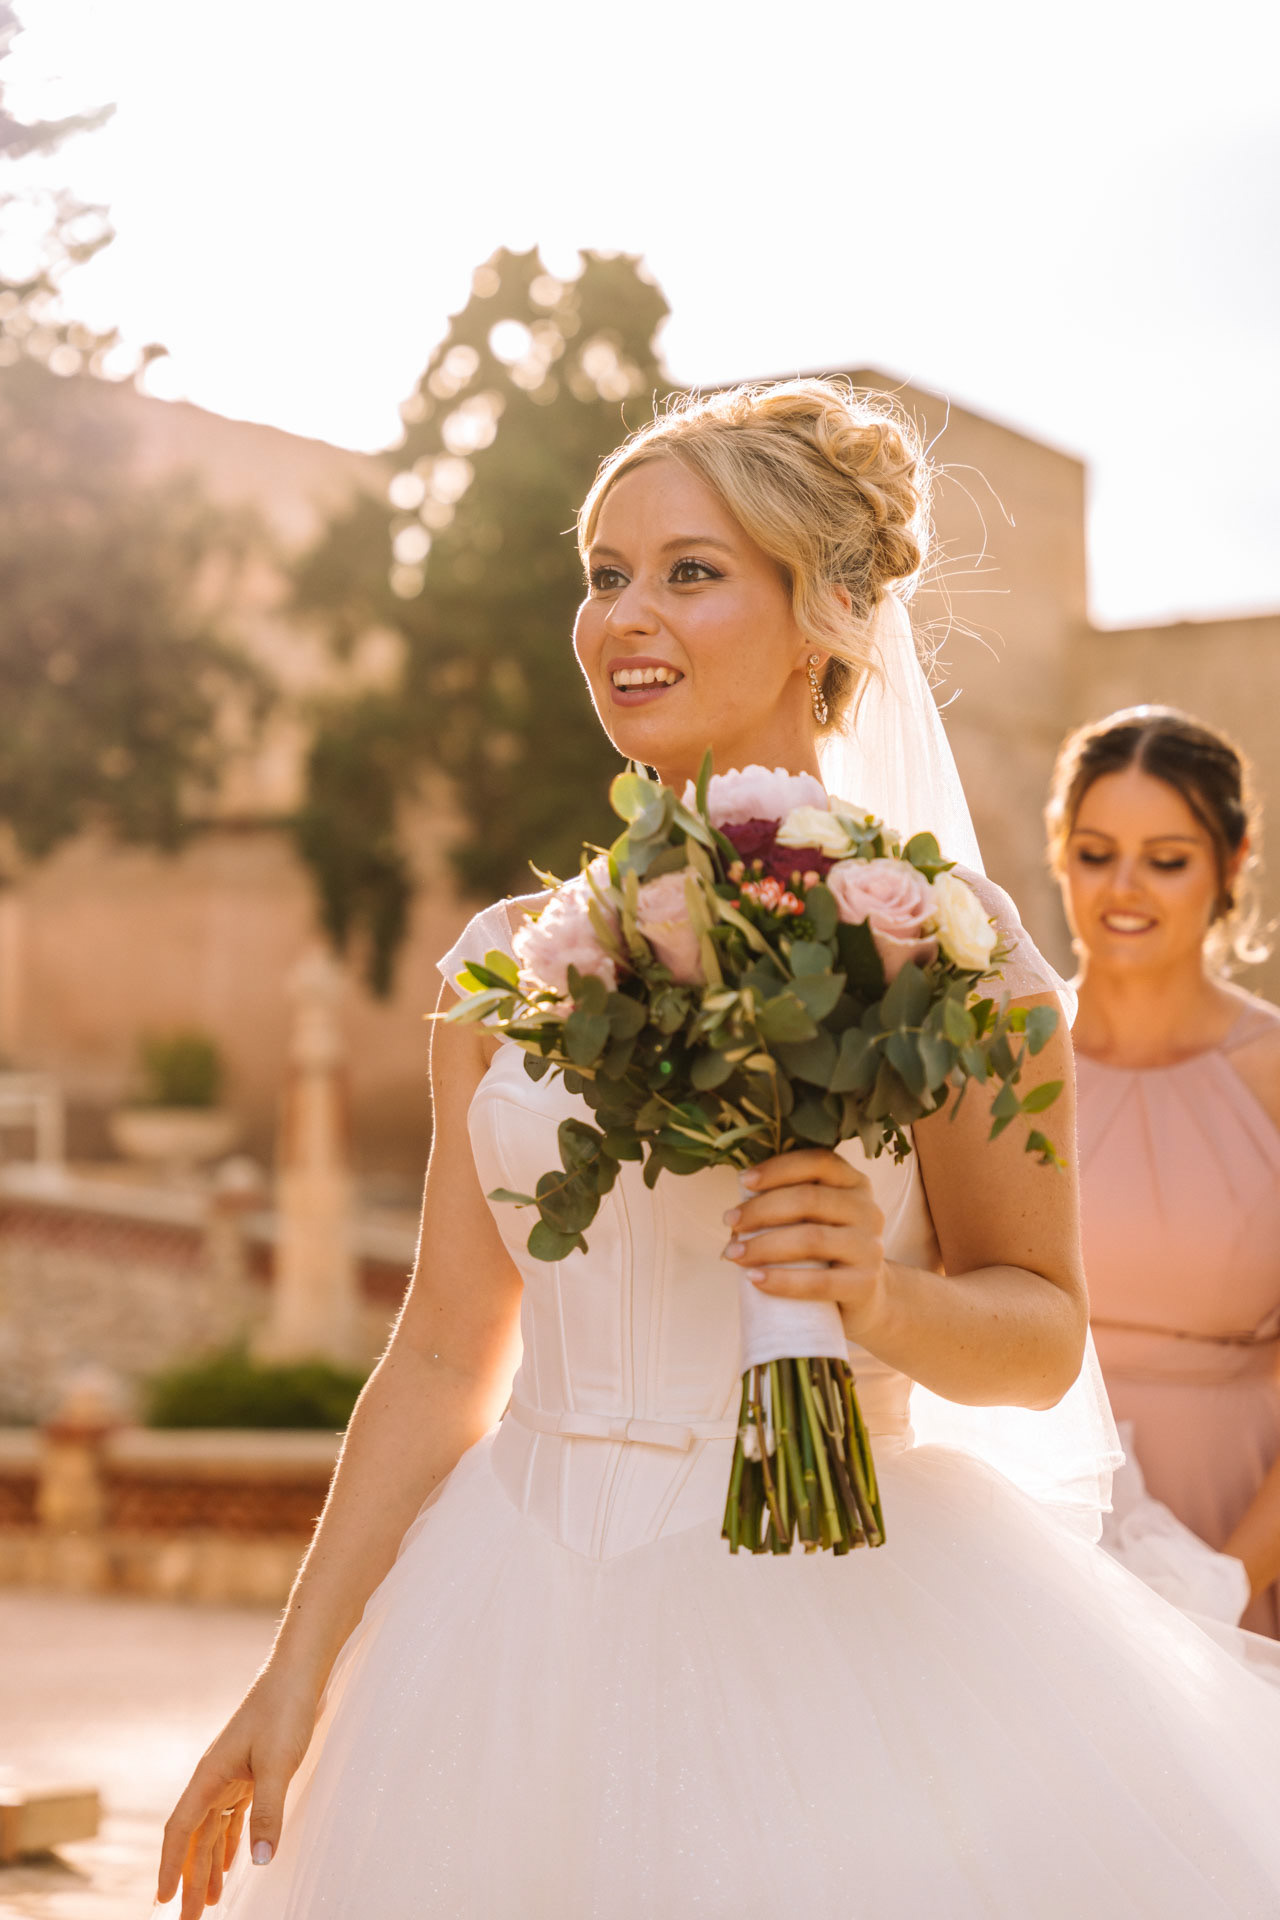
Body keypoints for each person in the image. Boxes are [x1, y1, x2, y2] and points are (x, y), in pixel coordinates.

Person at [157, 382, 1280, 1920]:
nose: (626, 611)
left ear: (820, 617)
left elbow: (1040, 1333)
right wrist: (293, 1677)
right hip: (504, 1637)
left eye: (691, 570)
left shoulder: (953, 952)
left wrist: (877, 1299)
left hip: (840, 1623)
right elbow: (438, 1356)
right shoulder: (510, 962)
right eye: (605, 572)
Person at [1049, 708, 1280, 1634]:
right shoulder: (999, 1061)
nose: (1126, 889)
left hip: (1246, 1530)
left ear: (1233, 862)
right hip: (1040, 1532)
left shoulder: (1273, 1070)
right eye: (1097, 852)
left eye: (1169, 858)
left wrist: (1222, 1582)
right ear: (1060, 853)